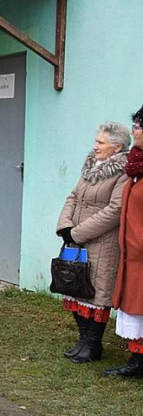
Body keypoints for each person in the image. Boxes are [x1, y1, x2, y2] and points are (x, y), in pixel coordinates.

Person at [56, 122, 129, 363]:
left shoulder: (123, 172)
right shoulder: (91, 166)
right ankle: (83, 340)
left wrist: (78, 233)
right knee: (75, 286)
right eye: (95, 141)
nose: (94, 146)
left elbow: (115, 210)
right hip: (76, 238)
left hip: (102, 243)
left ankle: (93, 345)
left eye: (100, 142)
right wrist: (65, 226)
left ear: (117, 147)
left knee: (96, 293)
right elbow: (73, 196)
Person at [105, 105, 143, 378]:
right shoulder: (136, 164)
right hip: (133, 252)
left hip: (140, 249)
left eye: (140, 126)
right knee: (135, 306)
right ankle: (137, 360)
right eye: (136, 125)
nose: (135, 131)